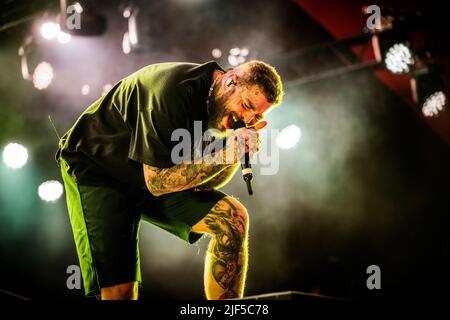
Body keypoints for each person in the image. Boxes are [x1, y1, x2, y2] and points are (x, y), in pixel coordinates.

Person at [56, 60, 283, 300]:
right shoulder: (172, 92)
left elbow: (203, 181)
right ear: (230, 81)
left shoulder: (220, 112)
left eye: (255, 115)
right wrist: (225, 154)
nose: (246, 117)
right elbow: (157, 182)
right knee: (121, 292)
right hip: (100, 169)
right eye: (246, 105)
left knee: (232, 220)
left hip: (153, 176)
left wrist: (234, 152)